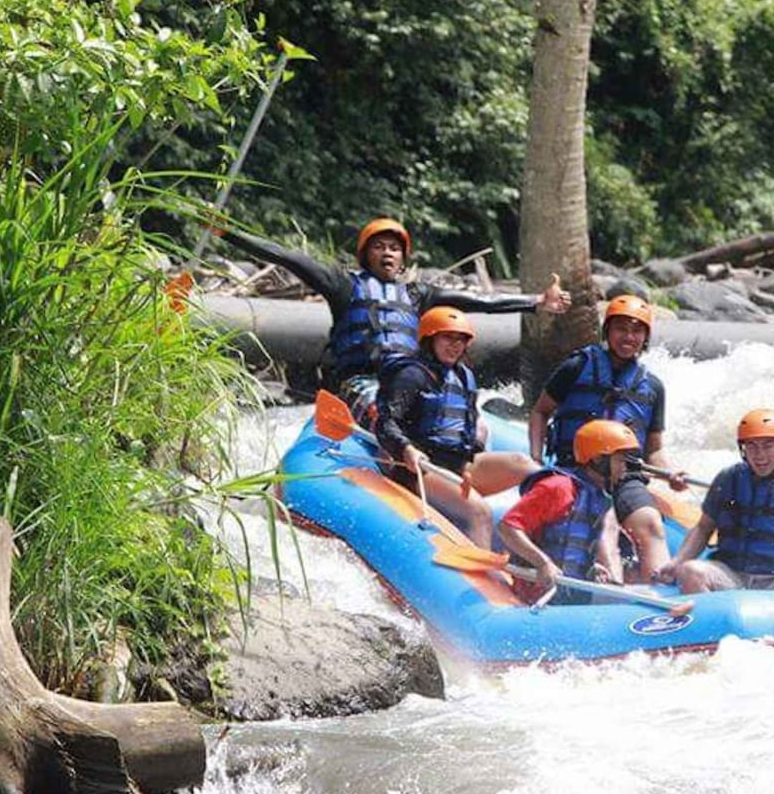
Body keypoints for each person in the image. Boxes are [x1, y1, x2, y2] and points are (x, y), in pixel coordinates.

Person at [214, 218, 568, 402]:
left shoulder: (417, 294)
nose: (387, 253)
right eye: (379, 247)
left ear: (403, 259)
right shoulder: (343, 285)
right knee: (385, 408)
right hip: (359, 382)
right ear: (365, 255)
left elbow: (481, 303)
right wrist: (227, 233)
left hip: (407, 380)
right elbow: (285, 255)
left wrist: (536, 302)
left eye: (394, 249)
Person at [526, 293, 687, 582]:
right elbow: (540, 412)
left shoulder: (653, 387)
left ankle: (657, 591)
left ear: (646, 337)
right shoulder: (576, 367)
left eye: (637, 330)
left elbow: (654, 450)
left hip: (625, 475)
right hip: (577, 470)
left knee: (650, 522)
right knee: (603, 523)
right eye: (621, 329)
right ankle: (610, 587)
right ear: (608, 331)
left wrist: (669, 473)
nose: (629, 337)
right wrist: (536, 459)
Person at [373, 306, 536, 548]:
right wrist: (406, 448)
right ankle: (482, 581)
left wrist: (475, 452)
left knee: (527, 467)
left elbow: (469, 423)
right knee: (479, 512)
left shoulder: (463, 376)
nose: (455, 345)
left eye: (461, 340)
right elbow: (386, 421)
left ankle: (533, 549)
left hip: (458, 463)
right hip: (420, 467)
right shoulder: (411, 375)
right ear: (430, 339)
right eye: (447, 338)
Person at [655, 409, 774, 594]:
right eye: (752, 446)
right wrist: (678, 562)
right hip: (731, 574)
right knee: (691, 571)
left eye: (768, 445)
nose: (760, 455)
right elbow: (703, 528)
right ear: (743, 449)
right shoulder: (727, 480)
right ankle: (709, 620)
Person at [497, 420, 641, 604]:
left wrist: (589, 567)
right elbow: (507, 528)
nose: (625, 468)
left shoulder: (599, 497)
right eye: (620, 460)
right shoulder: (557, 487)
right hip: (538, 593)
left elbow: (573, 548)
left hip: (569, 594)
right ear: (598, 459)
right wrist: (543, 563)